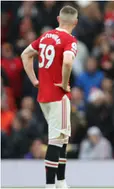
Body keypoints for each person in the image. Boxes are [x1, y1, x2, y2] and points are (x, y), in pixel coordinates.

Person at [21, 5, 78, 189]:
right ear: (75, 23)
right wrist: (64, 82)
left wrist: (34, 80)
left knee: (62, 139)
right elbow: (68, 61)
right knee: (56, 141)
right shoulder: (70, 40)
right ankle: (50, 186)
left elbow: (25, 55)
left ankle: (61, 183)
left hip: (43, 95)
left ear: (58, 19)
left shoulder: (45, 36)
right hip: (58, 96)